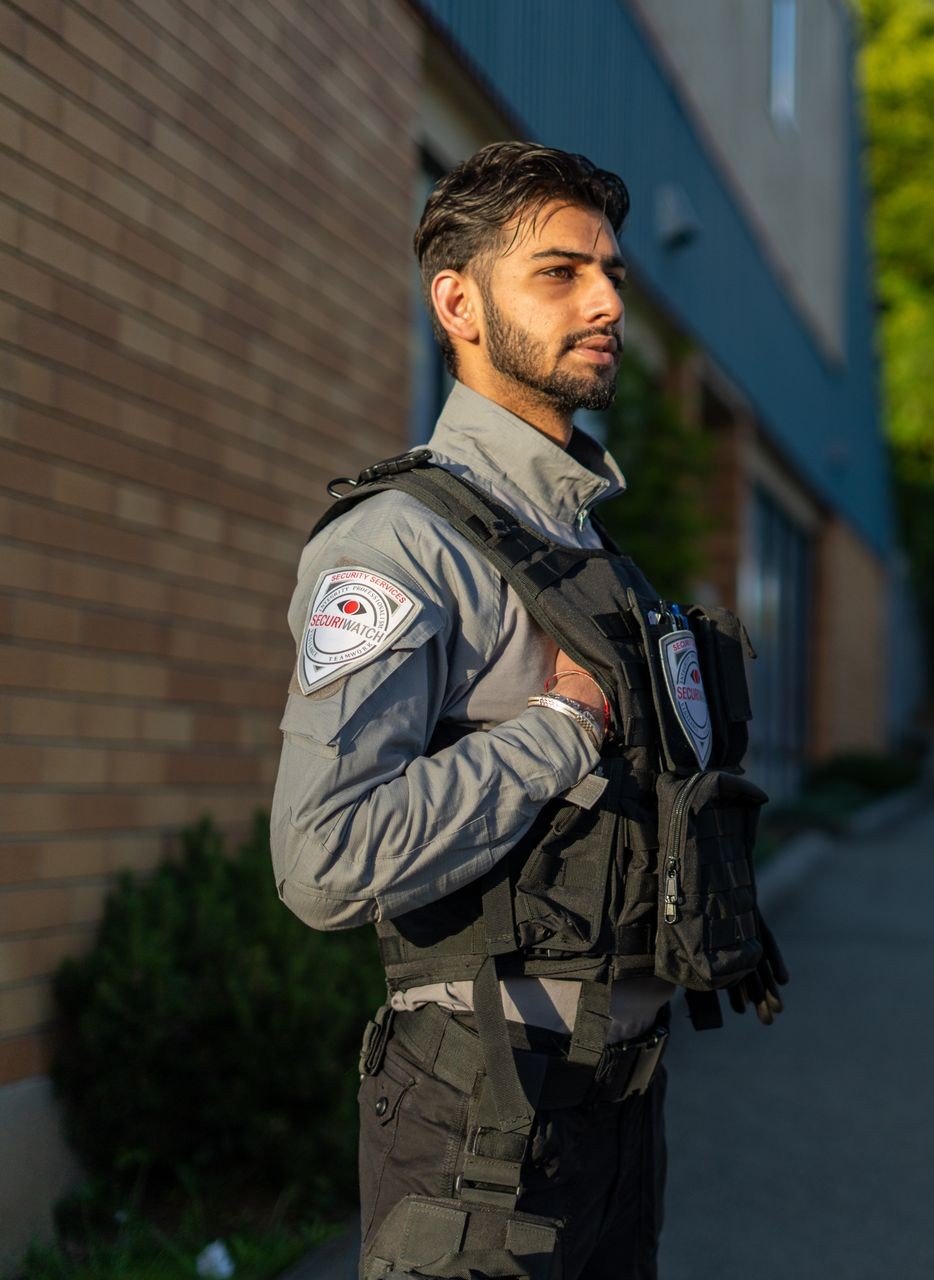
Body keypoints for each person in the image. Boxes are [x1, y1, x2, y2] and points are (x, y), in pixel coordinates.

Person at [270, 141, 783, 1280]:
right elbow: (324, 853)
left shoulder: (589, 547)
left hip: (615, 1108)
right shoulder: (401, 542)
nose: (606, 300)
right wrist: (556, 733)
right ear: (458, 302)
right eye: (559, 272)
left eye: (609, 271)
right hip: (479, 1124)